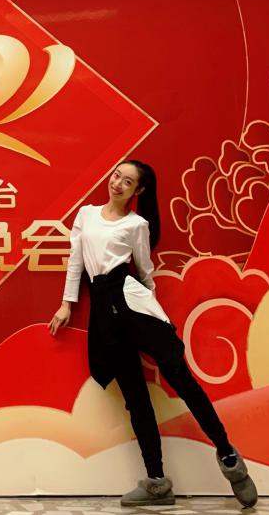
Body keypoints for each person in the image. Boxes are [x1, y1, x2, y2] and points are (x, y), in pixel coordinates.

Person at [48, 160, 257, 508]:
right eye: (116, 175)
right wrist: (66, 304)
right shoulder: (86, 215)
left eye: (127, 182)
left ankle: (229, 457)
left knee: (183, 380)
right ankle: (157, 482)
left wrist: (154, 313)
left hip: (133, 303)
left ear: (138, 191)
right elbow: (76, 262)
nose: (117, 183)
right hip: (105, 314)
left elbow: (145, 273)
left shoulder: (136, 225)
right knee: (136, 399)